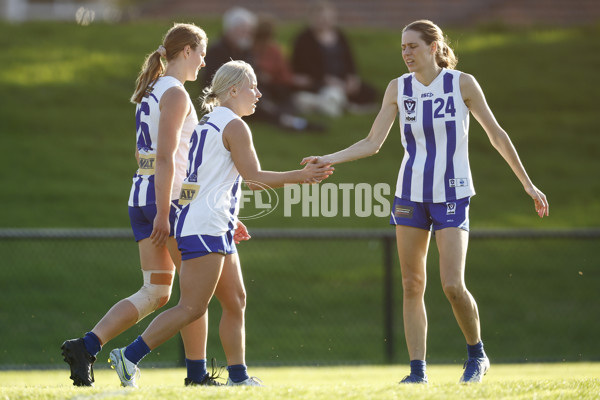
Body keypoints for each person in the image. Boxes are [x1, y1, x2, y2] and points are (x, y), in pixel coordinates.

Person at [301, 20, 549, 384]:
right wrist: (328, 159)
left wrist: (527, 183)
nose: (406, 54)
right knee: (412, 284)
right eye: (402, 47)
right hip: (409, 195)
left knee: (451, 284)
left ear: (434, 47)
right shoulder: (397, 89)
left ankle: (476, 354)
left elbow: (496, 134)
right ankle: (417, 372)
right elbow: (372, 142)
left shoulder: (462, 83)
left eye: (413, 46)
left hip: (452, 193)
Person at [107, 60, 334, 388]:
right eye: (252, 87)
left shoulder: (209, 122)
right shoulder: (234, 126)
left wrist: (228, 216)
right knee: (192, 306)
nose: (258, 93)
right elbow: (254, 179)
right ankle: (129, 355)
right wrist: (302, 176)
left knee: (235, 300)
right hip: (205, 226)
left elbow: (194, 182)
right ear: (232, 90)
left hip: (210, 222)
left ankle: (238, 377)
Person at [61, 23, 248, 388]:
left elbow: (144, 155)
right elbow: (166, 159)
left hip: (141, 196)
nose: (204, 61)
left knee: (158, 292)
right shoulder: (175, 93)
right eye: (202, 53)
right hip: (169, 200)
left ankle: (86, 345)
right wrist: (166, 212)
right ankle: (196, 375)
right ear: (187, 51)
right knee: (195, 298)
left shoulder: (151, 90)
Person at [291, 1, 378, 117]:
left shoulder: (340, 35)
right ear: (312, 18)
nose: (324, 20)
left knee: (370, 92)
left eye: (327, 17)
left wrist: (352, 77)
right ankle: (342, 105)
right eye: (320, 17)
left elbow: (350, 60)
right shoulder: (304, 39)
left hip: (342, 80)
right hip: (318, 81)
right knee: (330, 92)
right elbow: (305, 65)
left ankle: (342, 104)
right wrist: (326, 79)